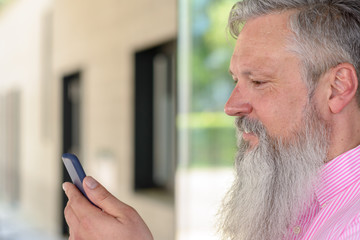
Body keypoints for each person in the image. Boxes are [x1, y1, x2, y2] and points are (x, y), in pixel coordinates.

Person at [63, 0, 360, 239]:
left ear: (337, 87)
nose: (231, 106)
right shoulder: (293, 192)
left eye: (257, 81)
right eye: (235, 80)